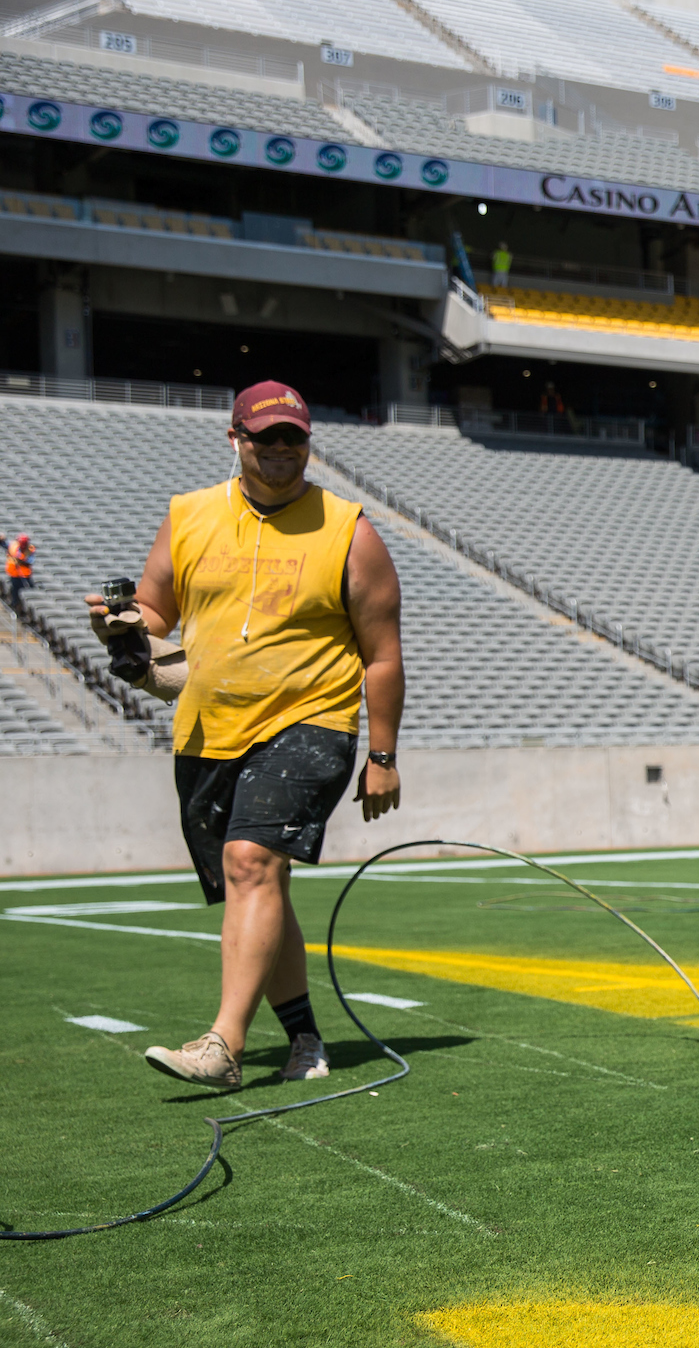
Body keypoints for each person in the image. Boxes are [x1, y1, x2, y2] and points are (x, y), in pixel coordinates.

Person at [86, 381, 405, 1090]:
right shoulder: (189, 516)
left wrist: (381, 756)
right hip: (208, 730)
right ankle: (304, 1043)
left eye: (295, 436)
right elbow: (156, 615)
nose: (283, 449)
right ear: (236, 439)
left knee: (251, 863)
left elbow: (383, 655)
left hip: (312, 720)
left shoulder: (351, 531)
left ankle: (224, 1047)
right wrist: (125, 631)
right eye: (267, 437)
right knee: (257, 883)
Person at [5, 532, 30, 616]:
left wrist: (20, 560)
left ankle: (23, 609)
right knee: (14, 591)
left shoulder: (30, 548)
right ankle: (14, 605)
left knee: (27, 590)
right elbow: (6, 546)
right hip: (14, 574)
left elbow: (29, 559)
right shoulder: (14, 546)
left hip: (25, 575)